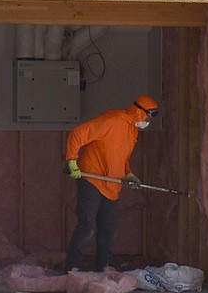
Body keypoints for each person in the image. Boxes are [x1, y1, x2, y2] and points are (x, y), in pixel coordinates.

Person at [64, 94, 160, 271]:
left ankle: (104, 269)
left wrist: (129, 174)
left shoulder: (132, 131)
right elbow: (78, 133)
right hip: (92, 179)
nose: (148, 121)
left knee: (108, 230)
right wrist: (72, 161)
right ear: (140, 112)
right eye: (148, 116)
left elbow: (120, 157)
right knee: (86, 225)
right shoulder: (112, 121)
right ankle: (72, 268)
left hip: (112, 185)